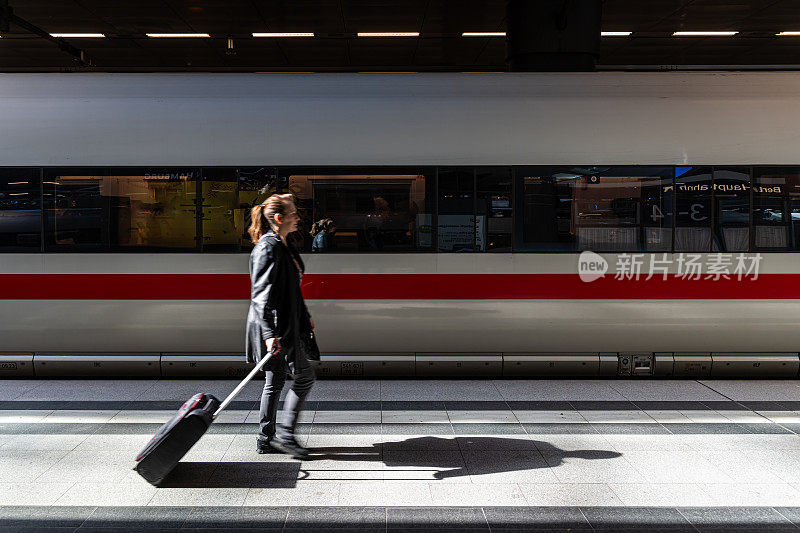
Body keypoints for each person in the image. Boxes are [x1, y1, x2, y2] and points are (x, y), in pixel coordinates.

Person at [245, 193, 315, 459]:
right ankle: (284, 436)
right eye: (294, 213)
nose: (298, 217)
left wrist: (305, 314)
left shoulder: (285, 244)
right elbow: (260, 294)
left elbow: (292, 290)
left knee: (275, 381)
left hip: (288, 323)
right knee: (302, 377)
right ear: (279, 218)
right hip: (276, 327)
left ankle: (266, 438)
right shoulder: (268, 247)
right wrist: (269, 334)